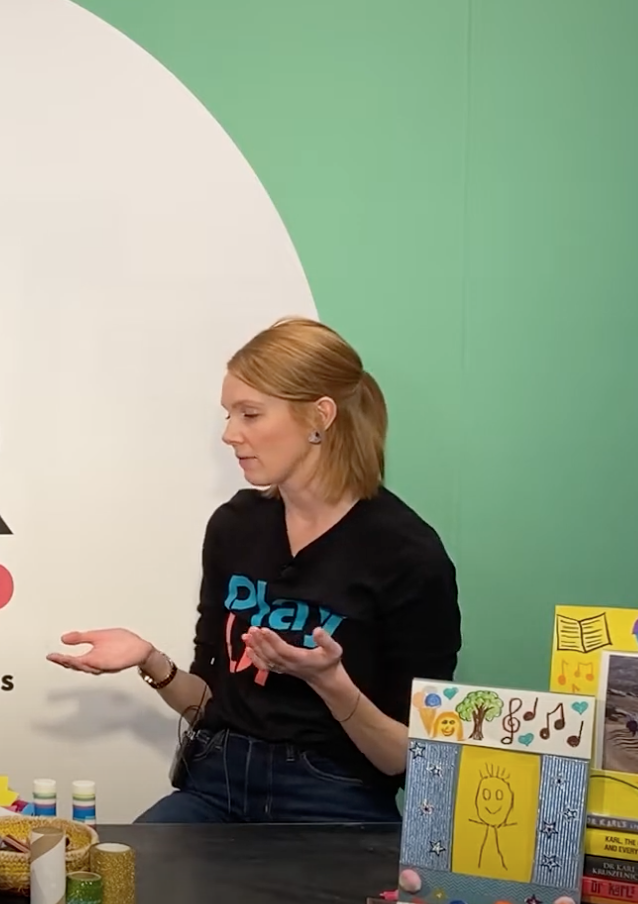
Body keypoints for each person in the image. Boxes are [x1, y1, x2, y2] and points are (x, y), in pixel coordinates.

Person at [48, 317, 461, 823]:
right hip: (215, 785)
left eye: (249, 414)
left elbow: (406, 759)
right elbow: (211, 702)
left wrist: (329, 680)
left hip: (335, 799)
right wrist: (150, 659)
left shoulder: (407, 553)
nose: (229, 434)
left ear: (320, 417)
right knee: (124, 883)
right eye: (228, 414)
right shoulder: (235, 526)